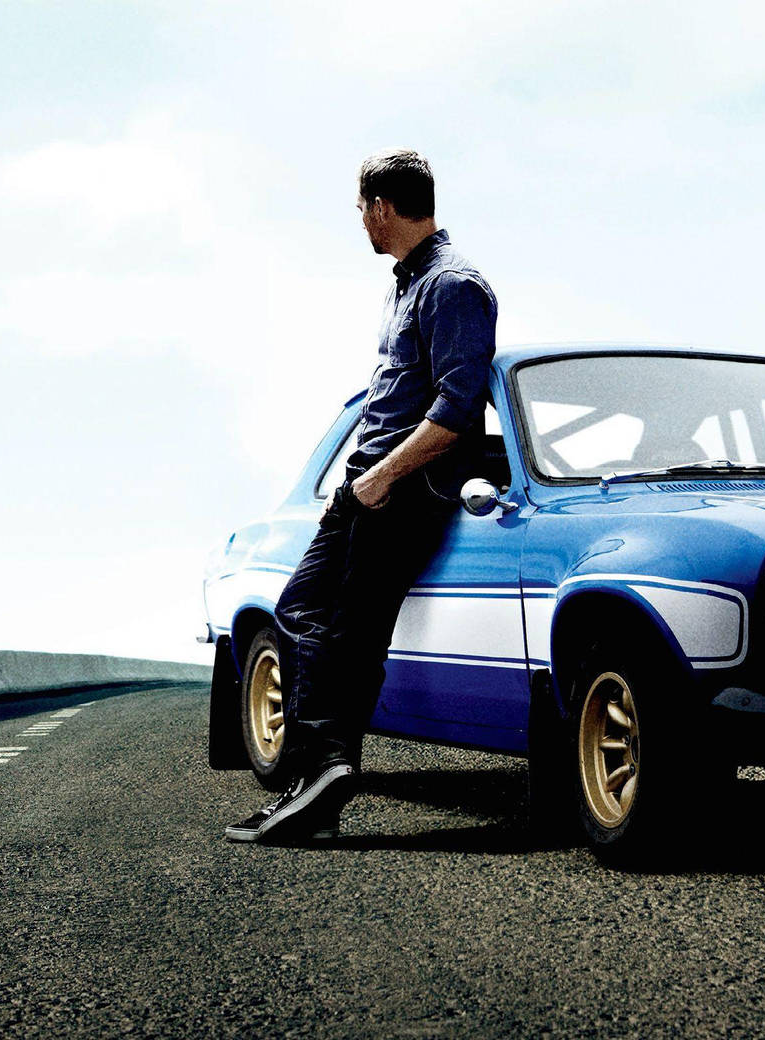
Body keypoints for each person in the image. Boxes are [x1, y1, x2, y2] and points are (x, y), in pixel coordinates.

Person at [225, 149, 498, 844]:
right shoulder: (406, 283)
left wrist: (382, 478)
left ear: (382, 206)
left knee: (352, 634)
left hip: (399, 490)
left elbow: (458, 408)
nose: (362, 225)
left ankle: (321, 777)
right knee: (302, 612)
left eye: (362, 211)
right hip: (365, 485)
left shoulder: (454, 286)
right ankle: (317, 774)